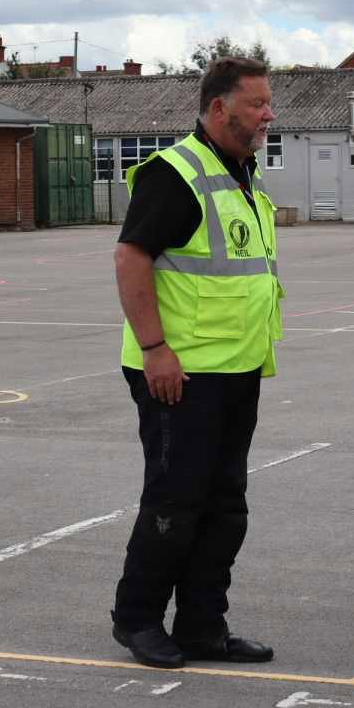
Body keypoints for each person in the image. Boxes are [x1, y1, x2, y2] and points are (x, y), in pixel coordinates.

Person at [110, 57, 283, 669]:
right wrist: (155, 348)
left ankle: (203, 626)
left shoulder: (241, 176)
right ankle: (137, 620)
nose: (268, 115)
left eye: (267, 103)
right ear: (218, 108)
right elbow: (131, 258)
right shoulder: (176, 173)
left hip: (235, 369)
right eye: (257, 104)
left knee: (225, 505)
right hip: (179, 373)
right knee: (174, 501)